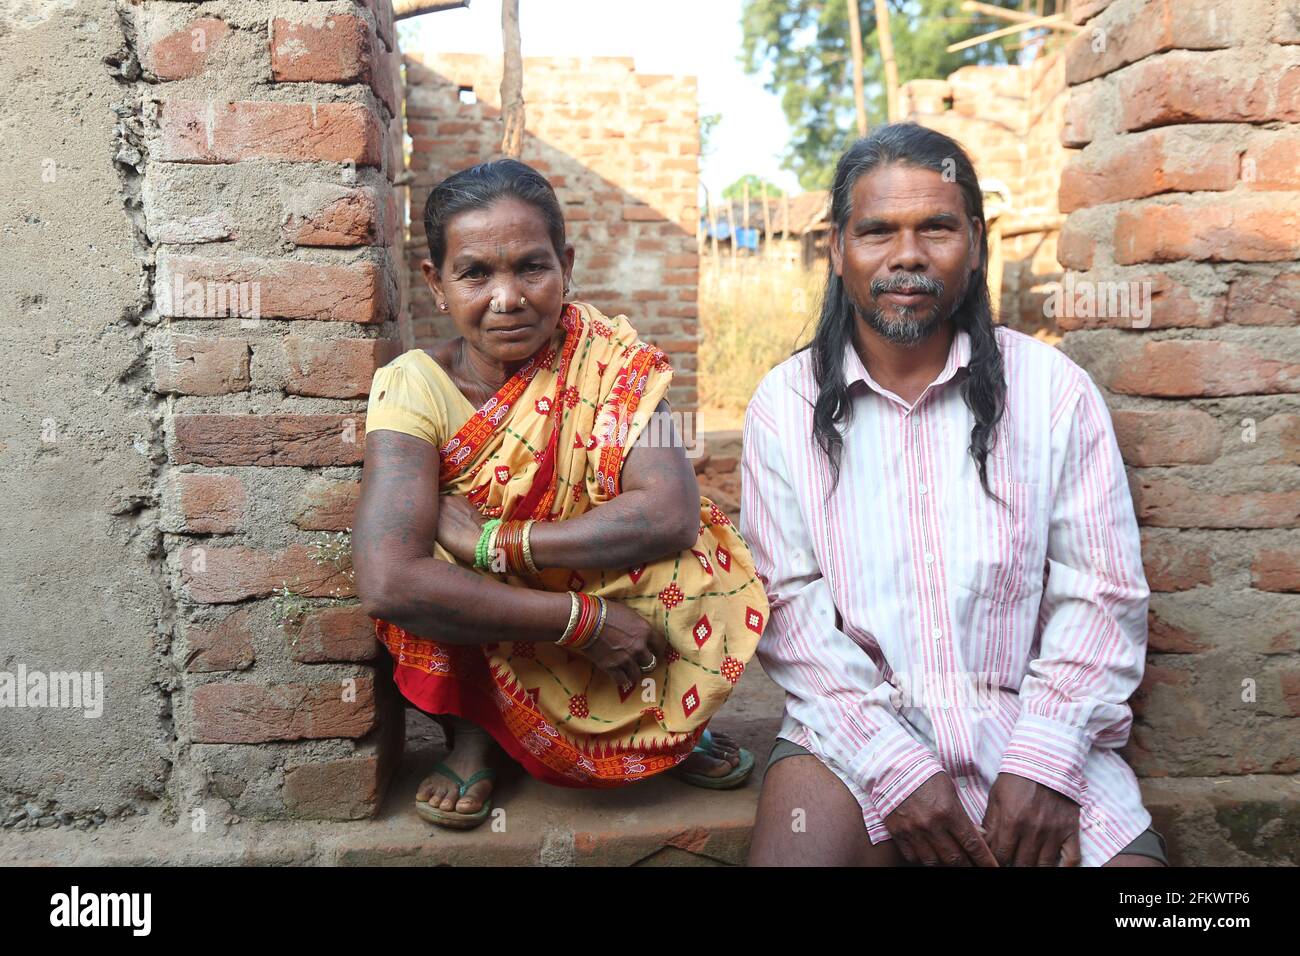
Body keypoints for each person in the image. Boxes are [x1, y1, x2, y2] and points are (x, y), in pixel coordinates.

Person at [741, 124, 1165, 867]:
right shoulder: (785, 405)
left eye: (935, 227)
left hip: (1031, 728)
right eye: (877, 231)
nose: (907, 254)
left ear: (974, 242)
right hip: (849, 735)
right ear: (837, 251)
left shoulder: (1053, 392)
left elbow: (1101, 596)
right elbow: (789, 609)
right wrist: (894, 766)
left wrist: (1044, 760)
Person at [353, 159, 767, 829]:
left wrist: (498, 539)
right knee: (434, 555)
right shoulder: (414, 385)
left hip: (605, 583)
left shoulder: (610, 360)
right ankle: (478, 734)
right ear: (435, 284)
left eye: (531, 267)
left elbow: (669, 512)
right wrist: (581, 621)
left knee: (699, 550)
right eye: (476, 273)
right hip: (523, 616)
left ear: (566, 265)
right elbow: (387, 578)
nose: (508, 298)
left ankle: (668, 724)